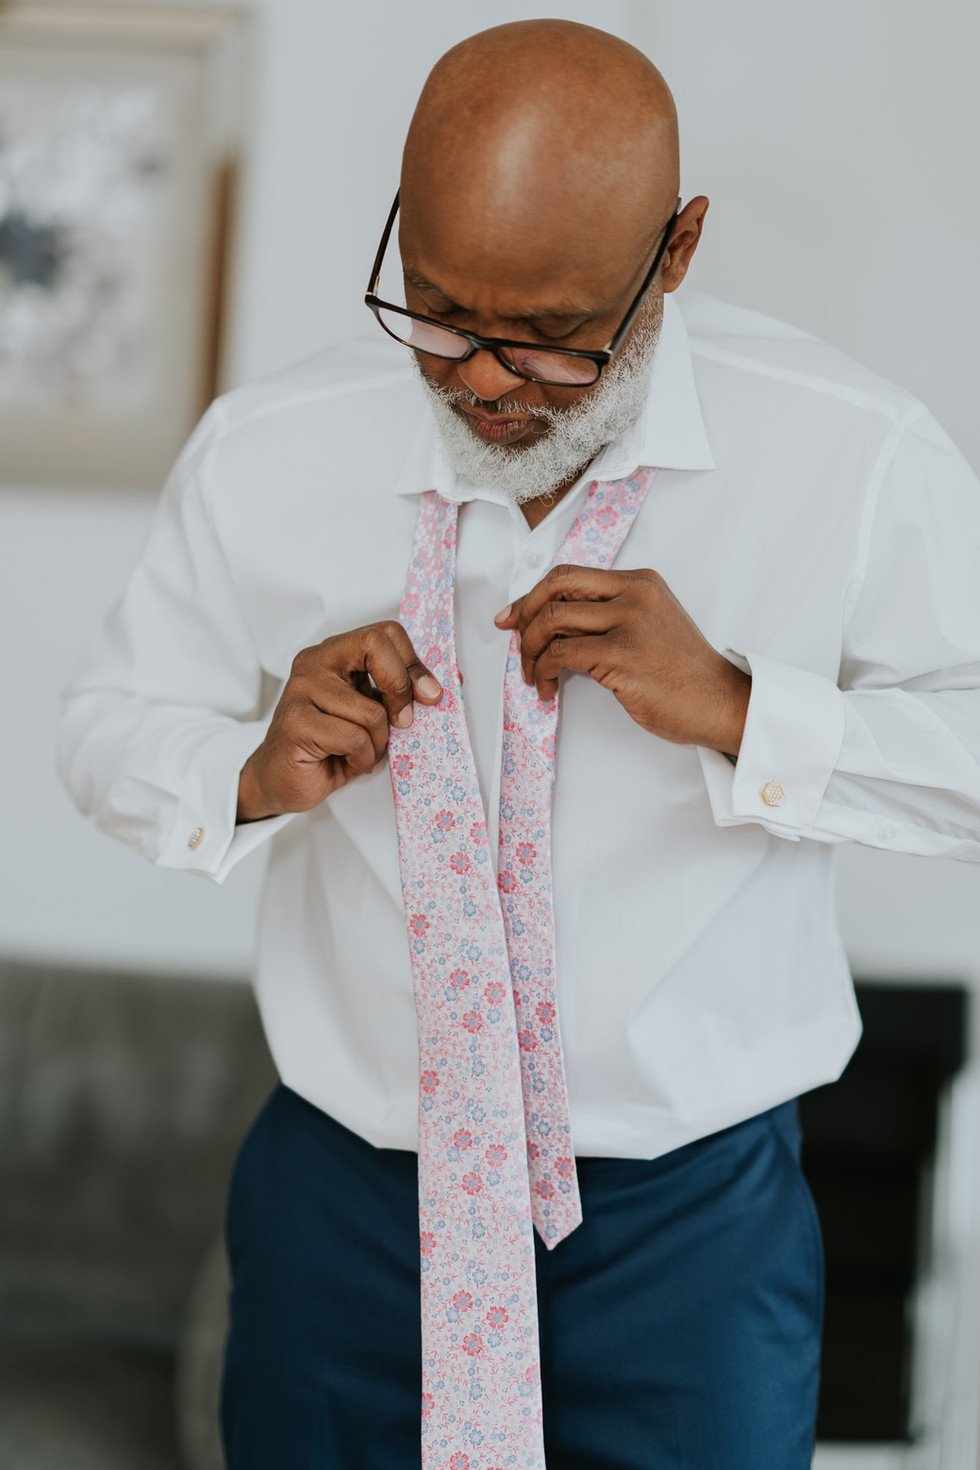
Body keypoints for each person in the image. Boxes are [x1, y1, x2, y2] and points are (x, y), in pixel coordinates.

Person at [59, 19, 980, 1470]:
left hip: (688, 1233)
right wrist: (247, 770)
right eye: (435, 311)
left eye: (548, 338)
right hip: (344, 1209)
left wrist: (743, 705)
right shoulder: (269, 450)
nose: (483, 380)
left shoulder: (851, 458)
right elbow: (108, 729)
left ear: (674, 255)